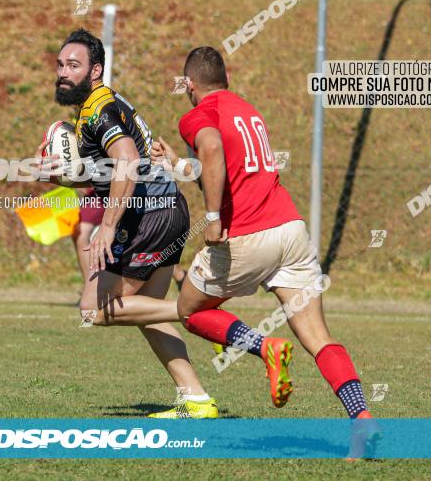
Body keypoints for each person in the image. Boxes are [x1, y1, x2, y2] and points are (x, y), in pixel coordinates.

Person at [154, 47, 377, 454]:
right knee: (318, 337)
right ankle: (361, 416)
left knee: (191, 311)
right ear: (226, 77)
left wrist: (213, 217)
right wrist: (178, 167)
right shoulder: (247, 109)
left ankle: (265, 347)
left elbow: (212, 150)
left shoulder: (196, 115)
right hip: (290, 231)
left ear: (189, 84)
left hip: (247, 236)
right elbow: (223, 168)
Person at [34, 28, 218, 418]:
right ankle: (197, 399)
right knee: (142, 310)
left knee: (93, 309)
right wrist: (59, 177)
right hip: (166, 209)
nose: (63, 73)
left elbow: (128, 160)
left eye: (73, 65)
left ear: (95, 70)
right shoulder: (98, 106)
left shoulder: (99, 110)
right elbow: (106, 171)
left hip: (148, 215)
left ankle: (199, 310)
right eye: (60, 65)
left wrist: (108, 226)